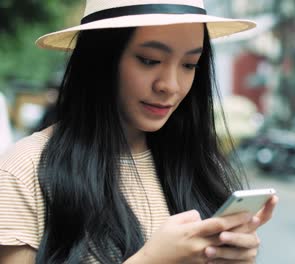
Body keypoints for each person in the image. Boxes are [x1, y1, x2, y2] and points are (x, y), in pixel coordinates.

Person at [0, 0, 278, 263]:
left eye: (189, 64)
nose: (170, 85)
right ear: (100, 59)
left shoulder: (199, 165)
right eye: (149, 60)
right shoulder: (24, 171)